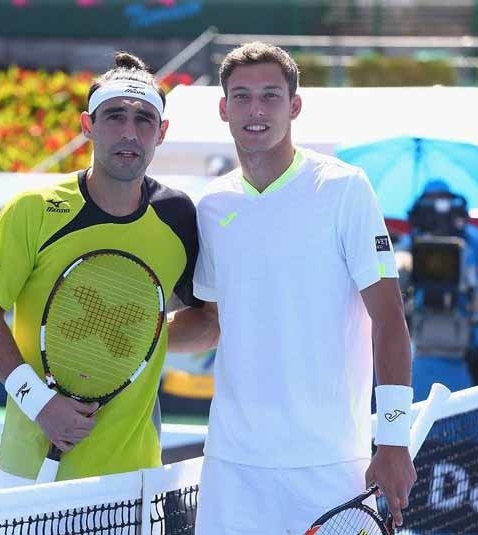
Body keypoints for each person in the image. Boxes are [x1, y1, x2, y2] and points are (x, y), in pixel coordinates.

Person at [167, 42, 416, 533]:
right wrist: (138, 336)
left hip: (330, 465)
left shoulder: (345, 188)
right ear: (224, 109)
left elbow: (389, 319)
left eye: (270, 96)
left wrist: (393, 439)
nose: (255, 110)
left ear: (294, 106)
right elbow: (212, 323)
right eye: (241, 97)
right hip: (232, 468)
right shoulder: (212, 205)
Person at [0, 52, 201, 488]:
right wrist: (39, 403)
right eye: (114, 117)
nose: (129, 133)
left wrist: (130, 335)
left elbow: (209, 321)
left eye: (144, 120)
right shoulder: (33, 208)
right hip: (27, 470)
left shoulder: (179, 216)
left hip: (135, 476)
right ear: (87, 125)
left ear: (162, 132)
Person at [400, 180, 478, 401]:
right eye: (432, 199)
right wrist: (401, 263)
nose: (438, 205)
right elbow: (393, 276)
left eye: (443, 198)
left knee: (475, 407)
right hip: (424, 338)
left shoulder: (472, 238)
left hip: (470, 342)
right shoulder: (411, 241)